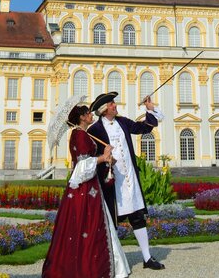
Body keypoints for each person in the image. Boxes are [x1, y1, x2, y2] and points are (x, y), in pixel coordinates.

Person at [42, 104, 130, 278]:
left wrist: (105, 157)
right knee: (89, 224)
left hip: (87, 188)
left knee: (85, 226)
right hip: (85, 188)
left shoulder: (82, 134)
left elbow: (88, 160)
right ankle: (92, 265)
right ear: (82, 117)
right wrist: (103, 157)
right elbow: (82, 167)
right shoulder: (80, 135)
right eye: (88, 113)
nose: (91, 115)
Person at [88, 91, 166, 270]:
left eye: (114, 103)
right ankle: (112, 262)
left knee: (138, 217)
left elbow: (144, 127)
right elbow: (91, 157)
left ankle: (147, 258)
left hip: (130, 178)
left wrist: (151, 109)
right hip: (112, 183)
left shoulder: (122, 122)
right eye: (112, 104)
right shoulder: (94, 131)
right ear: (104, 109)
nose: (115, 106)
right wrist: (104, 158)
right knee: (112, 222)